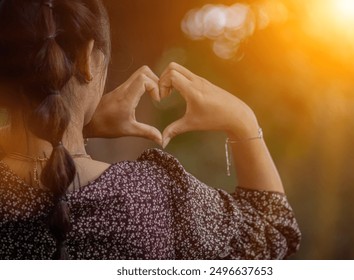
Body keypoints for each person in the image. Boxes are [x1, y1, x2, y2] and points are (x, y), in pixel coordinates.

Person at [0, 0, 301, 259]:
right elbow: (273, 236)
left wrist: (73, 128)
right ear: (87, 60)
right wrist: (243, 119)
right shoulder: (152, 195)